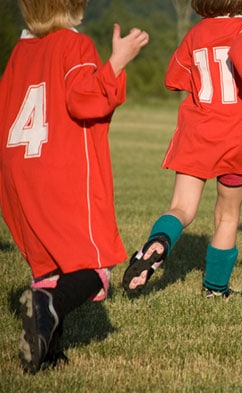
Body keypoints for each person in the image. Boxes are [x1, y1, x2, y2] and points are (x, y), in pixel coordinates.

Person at [0, 0, 149, 374]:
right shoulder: (72, 44)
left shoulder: (21, 51)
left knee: (52, 264)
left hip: (19, 173)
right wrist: (116, 63)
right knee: (92, 267)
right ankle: (47, 302)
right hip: (61, 171)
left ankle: (48, 354)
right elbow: (84, 101)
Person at [122, 0, 242, 297]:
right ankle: (214, 288)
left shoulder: (196, 33)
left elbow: (175, 79)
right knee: (227, 215)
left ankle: (156, 243)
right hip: (236, 137)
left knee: (181, 208)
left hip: (196, 132)